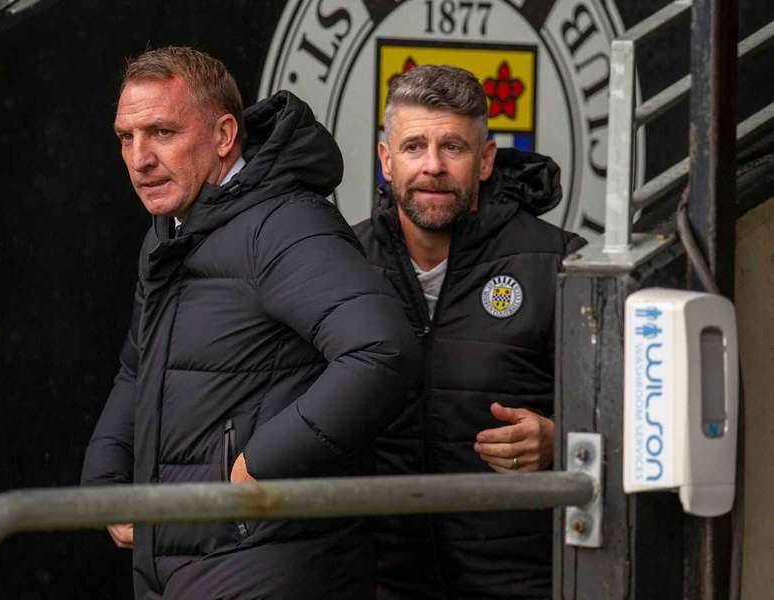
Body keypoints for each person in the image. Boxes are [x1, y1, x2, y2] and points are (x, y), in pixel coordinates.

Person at [81, 46, 419, 600]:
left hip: (270, 560)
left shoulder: (283, 222)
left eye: (162, 132)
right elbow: (136, 368)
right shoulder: (171, 228)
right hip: (185, 558)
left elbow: (383, 350)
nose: (139, 157)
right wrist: (106, 484)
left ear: (223, 136)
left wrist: (256, 470)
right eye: (126, 137)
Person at [353, 64, 586, 599]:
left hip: (522, 578)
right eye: (414, 147)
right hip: (380, 580)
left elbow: (629, 419)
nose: (432, 166)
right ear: (386, 161)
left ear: (484, 160)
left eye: (452, 147)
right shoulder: (341, 264)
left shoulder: (560, 262)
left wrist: (560, 439)